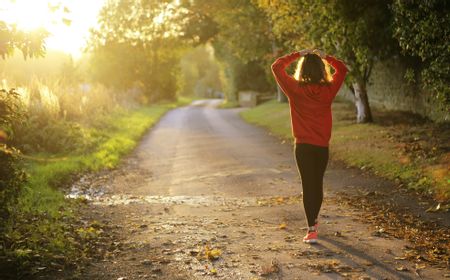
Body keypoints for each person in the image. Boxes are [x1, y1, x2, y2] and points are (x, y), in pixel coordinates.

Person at [271, 49, 348, 243]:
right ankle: (314, 220)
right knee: (317, 184)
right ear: (322, 70)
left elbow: (276, 67)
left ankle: (311, 228)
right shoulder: (328, 90)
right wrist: (326, 56)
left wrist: (297, 54)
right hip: (321, 146)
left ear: (302, 69)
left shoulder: (295, 89)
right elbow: (343, 69)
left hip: (303, 147)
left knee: (308, 185)